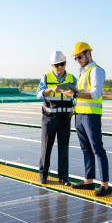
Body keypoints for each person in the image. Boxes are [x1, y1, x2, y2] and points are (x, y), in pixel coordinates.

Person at [63, 41, 112, 196]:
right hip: (79, 115)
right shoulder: (83, 72)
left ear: (88, 53)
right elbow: (81, 94)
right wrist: (74, 106)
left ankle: (105, 185)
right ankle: (88, 181)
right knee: (86, 150)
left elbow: (96, 93)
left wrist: (75, 94)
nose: (78, 60)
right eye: (75, 58)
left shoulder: (96, 71)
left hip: (91, 116)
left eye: (79, 57)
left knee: (97, 149)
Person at [36, 50, 76, 186]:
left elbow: (77, 95)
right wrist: (51, 89)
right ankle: (43, 175)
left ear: (66, 64)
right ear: (52, 65)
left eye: (62, 64)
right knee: (46, 147)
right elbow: (39, 94)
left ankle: (64, 177)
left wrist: (74, 109)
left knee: (64, 148)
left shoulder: (72, 78)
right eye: (56, 65)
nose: (60, 67)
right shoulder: (46, 78)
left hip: (65, 119)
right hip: (49, 118)